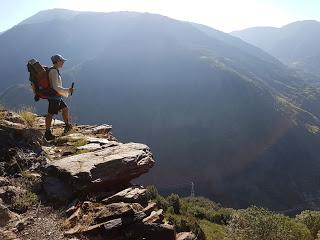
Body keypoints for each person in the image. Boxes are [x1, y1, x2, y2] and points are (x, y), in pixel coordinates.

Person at [44, 54, 74, 141]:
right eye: (62, 61)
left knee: (65, 109)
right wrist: (68, 90)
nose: (63, 62)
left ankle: (67, 126)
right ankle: (47, 133)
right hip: (54, 97)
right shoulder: (53, 72)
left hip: (57, 96)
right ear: (57, 61)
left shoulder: (55, 70)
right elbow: (55, 87)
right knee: (50, 114)